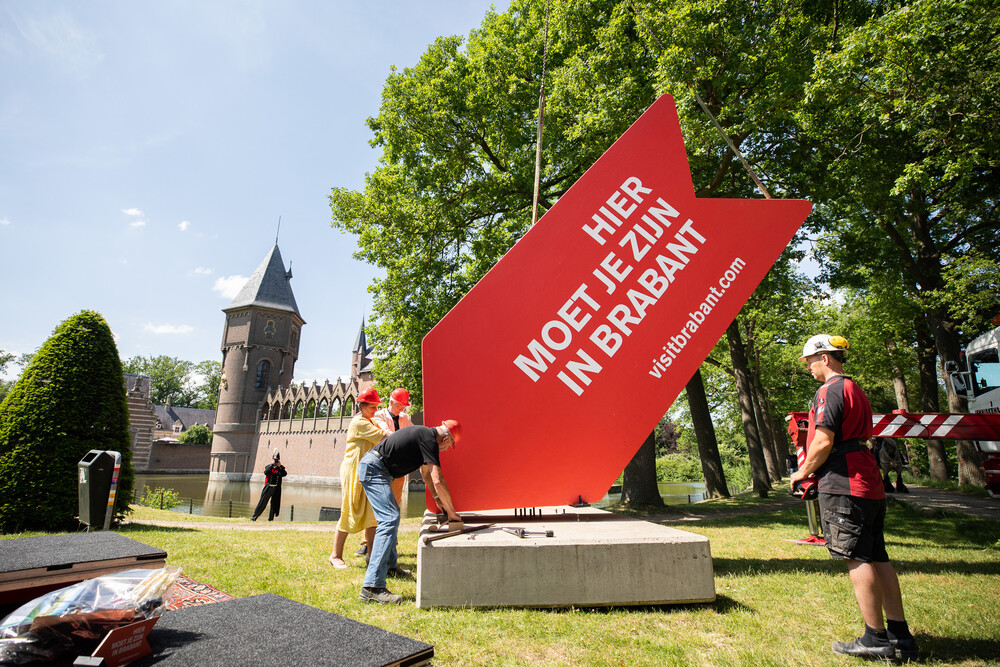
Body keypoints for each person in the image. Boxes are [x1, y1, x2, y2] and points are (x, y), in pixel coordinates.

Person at [789, 334, 919, 661]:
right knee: (878, 555)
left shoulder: (829, 390)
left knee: (856, 556)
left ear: (825, 358)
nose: (809, 370)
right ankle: (900, 636)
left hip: (844, 482)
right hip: (868, 479)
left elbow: (822, 441)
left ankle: (874, 638)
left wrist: (802, 473)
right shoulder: (854, 389)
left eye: (809, 363)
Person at [357, 419, 463, 604]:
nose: (446, 450)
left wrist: (439, 501)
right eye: (450, 446)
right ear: (446, 439)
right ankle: (372, 588)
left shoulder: (425, 436)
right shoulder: (429, 439)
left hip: (376, 468)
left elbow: (426, 475)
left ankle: (389, 566)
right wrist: (452, 513)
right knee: (389, 519)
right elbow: (438, 479)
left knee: (391, 517)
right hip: (375, 469)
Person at [329, 387, 390, 569]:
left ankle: (371, 557)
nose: (375, 410)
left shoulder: (369, 421)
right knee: (350, 509)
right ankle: (335, 555)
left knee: (372, 513)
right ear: (362, 406)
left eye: (376, 406)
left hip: (367, 470)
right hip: (354, 470)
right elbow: (386, 436)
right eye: (372, 406)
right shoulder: (359, 423)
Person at [353, 388, 414, 557]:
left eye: (404, 406)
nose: (402, 409)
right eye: (400, 405)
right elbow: (386, 434)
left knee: (395, 504)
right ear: (391, 401)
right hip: (382, 466)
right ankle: (366, 543)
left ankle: (392, 542)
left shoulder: (405, 418)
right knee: (375, 506)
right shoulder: (378, 416)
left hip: (398, 468)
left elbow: (410, 432)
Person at [251, 449, 286, 521]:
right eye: (275, 460)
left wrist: (279, 467)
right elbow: (266, 472)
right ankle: (254, 517)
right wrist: (272, 464)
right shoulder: (269, 467)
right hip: (268, 488)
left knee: (274, 504)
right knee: (262, 502)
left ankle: (270, 519)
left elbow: (284, 474)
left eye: (277, 460)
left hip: (276, 489)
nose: (276, 462)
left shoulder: (281, 468)